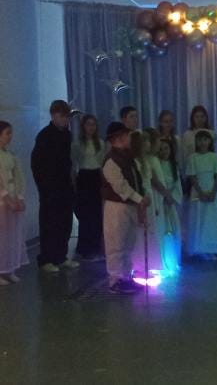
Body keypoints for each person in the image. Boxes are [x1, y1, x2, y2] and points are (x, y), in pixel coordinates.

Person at [102, 122, 150, 294]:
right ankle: (115, 280)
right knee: (116, 243)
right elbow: (121, 187)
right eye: (127, 135)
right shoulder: (111, 161)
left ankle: (126, 277)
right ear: (119, 138)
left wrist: (141, 198)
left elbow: (137, 181)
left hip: (129, 206)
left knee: (128, 243)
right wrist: (139, 199)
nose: (130, 138)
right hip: (117, 206)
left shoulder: (129, 159)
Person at [31, 100, 79, 273]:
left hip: (64, 185)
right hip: (50, 188)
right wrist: (44, 187)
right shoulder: (44, 136)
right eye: (62, 116)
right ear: (53, 115)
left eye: (66, 117)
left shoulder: (66, 135)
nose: (65, 120)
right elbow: (37, 164)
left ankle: (60, 256)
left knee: (65, 221)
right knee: (49, 222)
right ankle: (46, 259)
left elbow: (68, 161)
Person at [186, 130, 217, 259]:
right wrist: (200, 192)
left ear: (210, 142)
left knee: (211, 219)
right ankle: (198, 248)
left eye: (205, 140)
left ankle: (211, 248)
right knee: (199, 218)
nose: (202, 142)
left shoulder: (214, 156)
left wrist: (213, 192)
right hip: (198, 191)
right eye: (200, 140)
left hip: (212, 189)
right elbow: (192, 176)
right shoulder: (193, 158)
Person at [131, 128, 170, 276]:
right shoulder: (135, 162)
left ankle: (148, 264)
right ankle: (139, 265)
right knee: (141, 231)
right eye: (146, 141)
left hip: (149, 197)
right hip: (142, 197)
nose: (149, 144)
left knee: (150, 230)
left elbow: (153, 179)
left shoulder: (146, 161)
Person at [72, 114, 105, 261]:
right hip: (84, 177)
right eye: (88, 124)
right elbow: (74, 164)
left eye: (93, 124)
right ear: (83, 127)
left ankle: (96, 247)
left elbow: (102, 164)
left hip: (96, 177)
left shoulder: (100, 143)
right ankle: (84, 249)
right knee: (86, 215)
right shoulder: (77, 144)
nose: (91, 127)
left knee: (97, 214)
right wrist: (74, 183)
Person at [0, 121, 28, 285]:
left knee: (12, 236)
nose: (10, 136)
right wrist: (6, 197)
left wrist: (19, 197)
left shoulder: (10, 154)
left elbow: (19, 176)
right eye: (7, 133)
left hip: (12, 197)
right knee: (2, 236)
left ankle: (9, 268)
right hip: (2, 201)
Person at [159, 138, 183, 272]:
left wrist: (172, 198)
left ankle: (174, 260)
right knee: (164, 230)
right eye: (161, 149)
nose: (164, 152)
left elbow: (177, 183)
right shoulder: (157, 164)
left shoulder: (174, 166)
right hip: (161, 201)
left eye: (166, 148)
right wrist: (164, 196)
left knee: (174, 229)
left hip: (171, 202)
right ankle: (164, 261)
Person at [181, 106, 217, 175]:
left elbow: (213, 151)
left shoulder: (212, 133)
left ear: (206, 118)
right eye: (197, 117)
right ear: (192, 118)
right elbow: (185, 155)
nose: (199, 119)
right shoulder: (187, 134)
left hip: (208, 169)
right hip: (192, 170)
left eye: (202, 116)